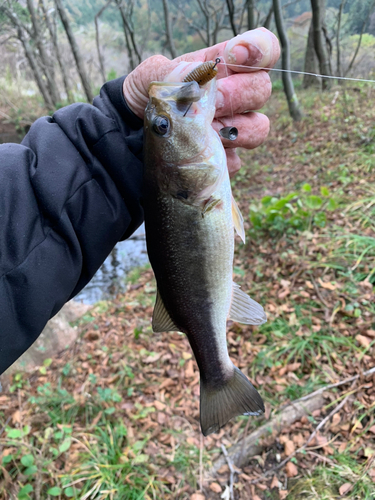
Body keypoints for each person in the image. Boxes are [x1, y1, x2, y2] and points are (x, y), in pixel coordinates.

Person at [0, 28, 280, 375]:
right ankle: (218, 374)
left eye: (160, 125)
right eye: (162, 126)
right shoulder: (188, 182)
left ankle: (217, 372)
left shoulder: (185, 180)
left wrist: (118, 123)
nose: (165, 117)